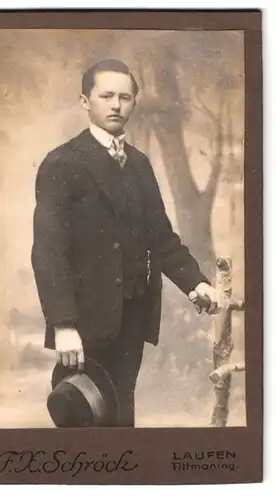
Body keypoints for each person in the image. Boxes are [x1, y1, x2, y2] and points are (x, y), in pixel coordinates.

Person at [31, 59, 225, 427]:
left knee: (121, 418)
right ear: (86, 101)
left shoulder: (139, 164)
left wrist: (196, 283)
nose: (116, 105)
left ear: (135, 102)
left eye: (125, 97)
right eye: (106, 96)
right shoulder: (62, 163)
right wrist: (63, 326)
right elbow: (48, 252)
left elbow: (162, 238)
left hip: (132, 318)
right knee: (84, 419)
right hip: (85, 323)